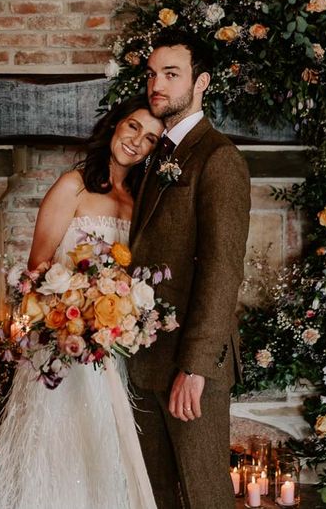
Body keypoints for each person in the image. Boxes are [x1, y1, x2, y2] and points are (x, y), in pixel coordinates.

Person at [0, 96, 164, 509]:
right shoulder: (72, 186)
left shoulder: (138, 202)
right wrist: (76, 307)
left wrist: (116, 312)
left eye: (150, 139)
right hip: (63, 343)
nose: (137, 141)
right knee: (58, 449)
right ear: (116, 125)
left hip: (110, 349)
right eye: (133, 127)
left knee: (105, 446)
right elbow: (37, 270)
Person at [127, 28, 251, 509]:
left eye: (171, 74)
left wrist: (195, 368)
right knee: (157, 498)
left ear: (202, 83)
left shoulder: (217, 158)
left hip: (191, 366)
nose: (157, 84)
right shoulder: (159, 154)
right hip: (147, 360)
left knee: (204, 497)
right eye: (153, 74)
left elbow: (222, 269)